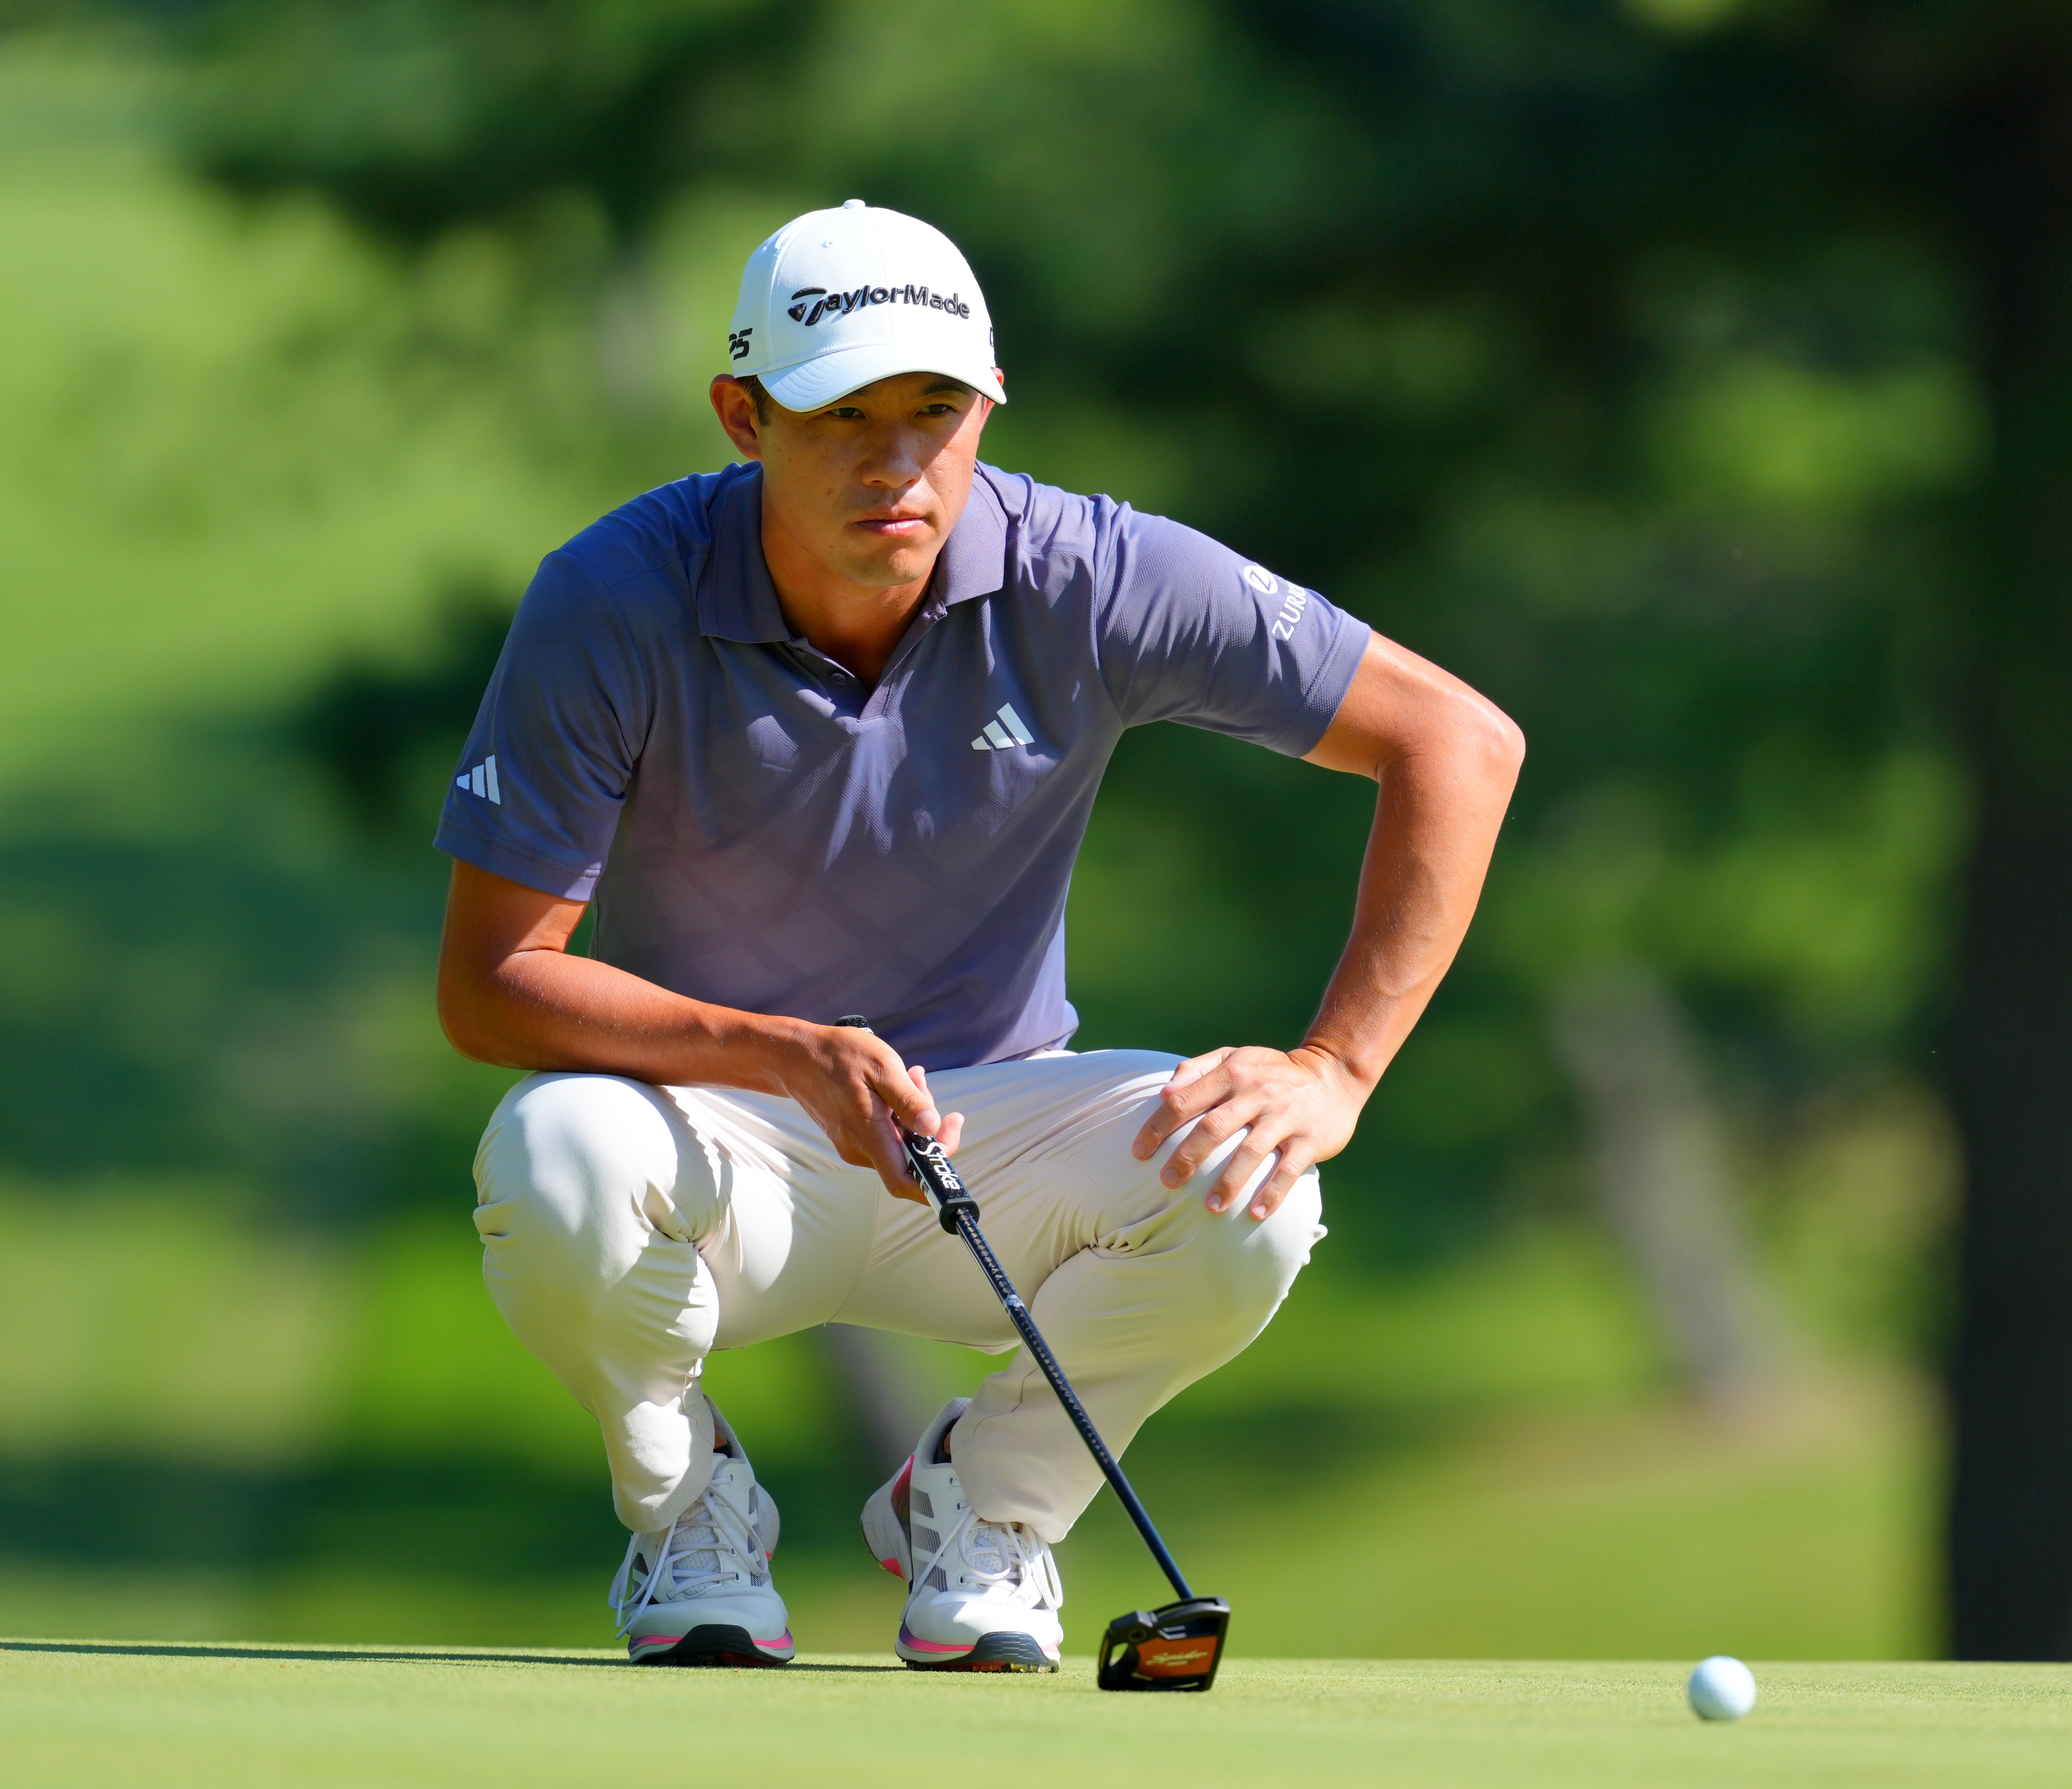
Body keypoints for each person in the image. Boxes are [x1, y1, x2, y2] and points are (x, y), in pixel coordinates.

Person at [432, 201, 1523, 1671]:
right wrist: (775, 1052)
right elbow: (490, 987)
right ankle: (689, 1511)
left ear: (988, 407)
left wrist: (1335, 1066)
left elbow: (1456, 742)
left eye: (935, 412)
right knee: (554, 1156)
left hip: (989, 1142)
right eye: (841, 417)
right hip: (712, 1141)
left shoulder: (1091, 571)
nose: (897, 463)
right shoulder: (612, 597)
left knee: (1255, 1185)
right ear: (742, 416)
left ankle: (987, 1513)